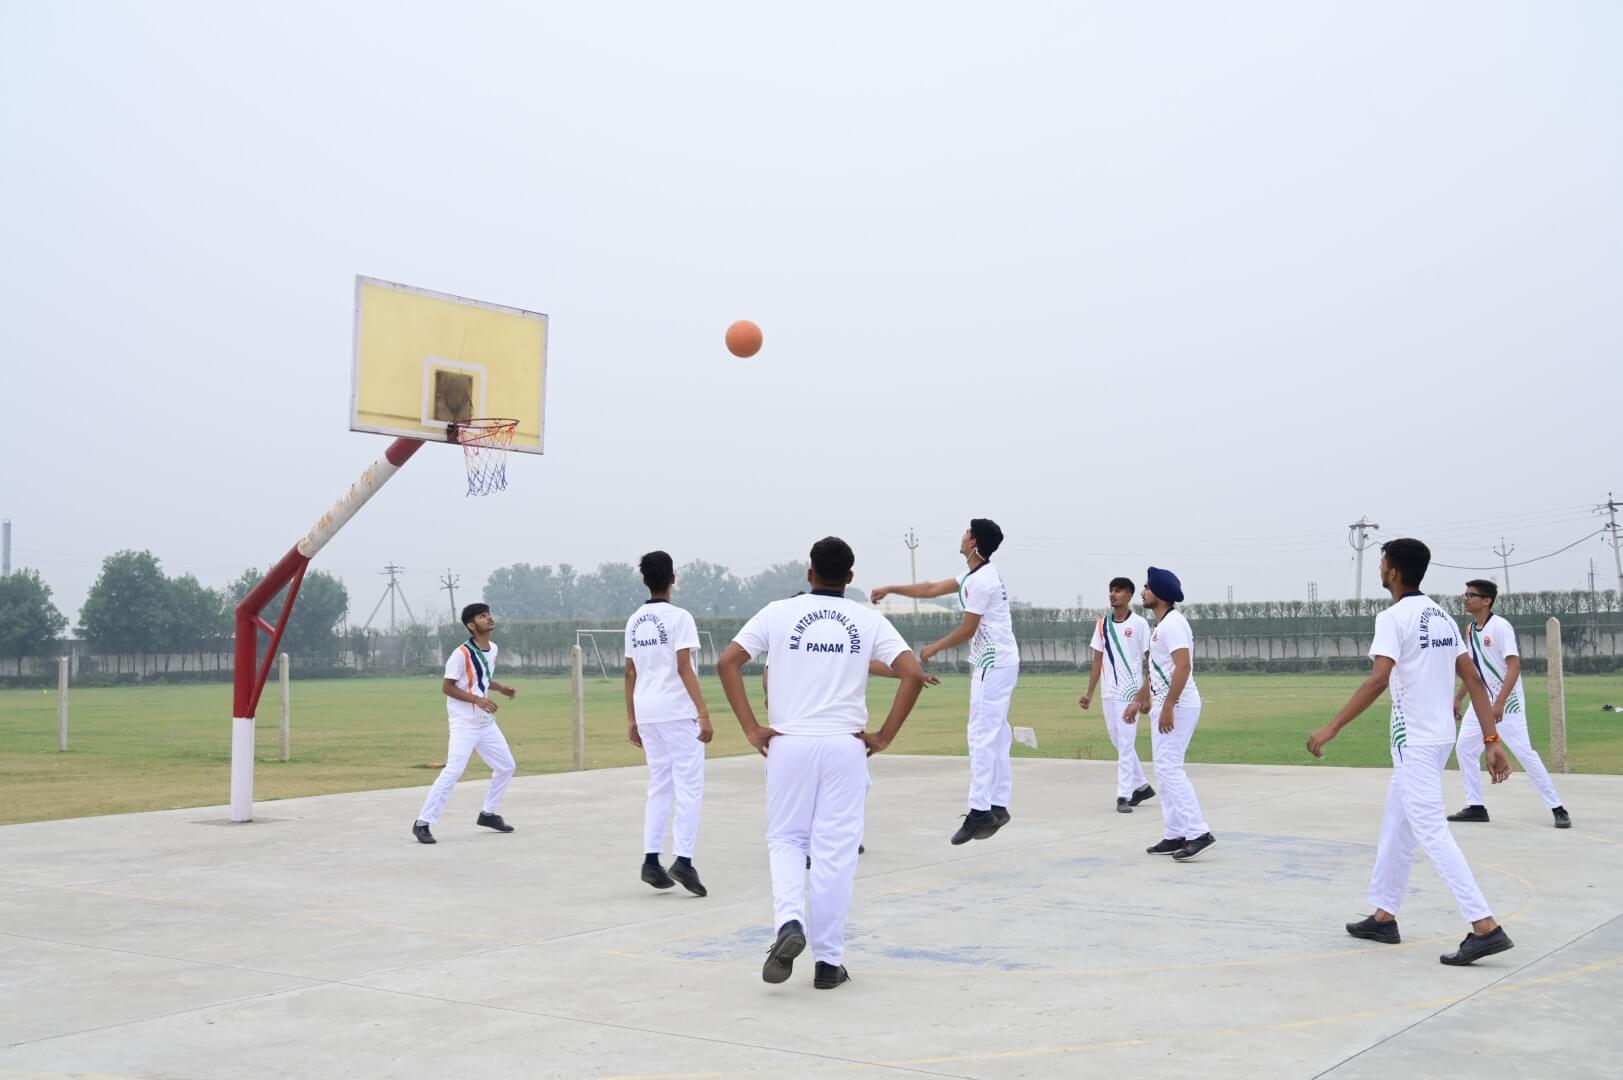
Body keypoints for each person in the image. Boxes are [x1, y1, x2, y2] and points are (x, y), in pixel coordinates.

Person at [717, 537, 926, 989]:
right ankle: (828, 963)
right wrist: (885, 736)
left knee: (788, 840)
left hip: (789, 743)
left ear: (808, 573)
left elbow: (728, 662)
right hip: (845, 746)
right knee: (835, 853)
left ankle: (789, 922)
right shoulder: (866, 619)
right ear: (851, 578)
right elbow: (911, 672)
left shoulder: (777, 612)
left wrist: (752, 728)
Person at [1308, 538, 1516, 966]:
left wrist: (1331, 727)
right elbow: (1475, 681)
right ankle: (1384, 917)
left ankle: (1484, 926)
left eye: (1382, 562)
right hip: (1437, 739)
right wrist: (1492, 741)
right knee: (1397, 824)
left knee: (1430, 831)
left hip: (1415, 742)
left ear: (1394, 572)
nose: (1380, 569)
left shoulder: (1393, 617)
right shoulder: (1441, 615)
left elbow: (1378, 679)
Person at [870, 519, 1019, 844]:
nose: (962, 536)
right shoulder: (975, 575)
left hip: (992, 663)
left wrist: (934, 648)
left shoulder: (982, 582)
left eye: (967, 532)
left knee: (981, 734)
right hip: (1000, 663)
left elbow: (967, 629)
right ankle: (998, 805)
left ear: (975, 542)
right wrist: (891, 588)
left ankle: (981, 812)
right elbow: (930, 589)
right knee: (997, 733)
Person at [624, 551, 714, 896]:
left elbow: (630, 671)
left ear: (645, 579)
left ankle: (650, 859)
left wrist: (632, 717)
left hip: (647, 709)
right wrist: (702, 711)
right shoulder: (680, 617)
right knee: (689, 786)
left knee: (660, 785)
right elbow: (683, 667)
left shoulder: (635, 620)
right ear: (672, 578)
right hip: (676, 709)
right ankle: (684, 860)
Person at [1448, 579, 1571, 828]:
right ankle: (1476, 806)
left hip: (1507, 702)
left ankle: (1557, 807)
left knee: (1525, 753)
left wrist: (1500, 702)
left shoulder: (1501, 627)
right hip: (1481, 701)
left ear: (1486, 600)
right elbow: (1474, 671)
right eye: (1465, 594)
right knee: (1465, 748)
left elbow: (1514, 666)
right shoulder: (1471, 629)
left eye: (1471, 595)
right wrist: (1459, 697)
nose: (1466, 598)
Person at [411, 603, 518, 844]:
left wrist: (501, 688)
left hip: (485, 723)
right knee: (453, 771)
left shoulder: (493, 649)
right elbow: (447, 687)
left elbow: (481, 678)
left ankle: (488, 814)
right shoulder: (461, 654)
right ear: (472, 625)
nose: (489, 618)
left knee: (506, 766)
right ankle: (422, 822)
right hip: (464, 724)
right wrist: (476, 700)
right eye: (482, 616)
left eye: (489, 613)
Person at [1134, 568, 1216, 861]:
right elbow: (1160, 669)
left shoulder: (1173, 625)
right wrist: (1141, 698)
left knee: (1170, 769)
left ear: (1160, 593)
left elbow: (1183, 667)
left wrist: (1168, 705)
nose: (1142, 591)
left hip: (1178, 705)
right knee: (1163, 769)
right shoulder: (1162, 625)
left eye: (1146, 587)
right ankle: (1175, 833)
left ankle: (1198, 832)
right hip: (1166, 703)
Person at [1079, 576, 1155, 813]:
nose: (1113, 594)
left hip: (1130, 693)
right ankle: (1142, 786)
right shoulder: (1102, 625)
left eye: (1119, 591)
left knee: (1125, 743)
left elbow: (1151, 660)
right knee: (1118, 742)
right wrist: (1089, 694)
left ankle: (1123, 795)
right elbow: (1097, 660)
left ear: (1129, 595)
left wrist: (1146, 696)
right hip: (1108, 692)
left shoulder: (1140, 624)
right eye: (1111, 590)